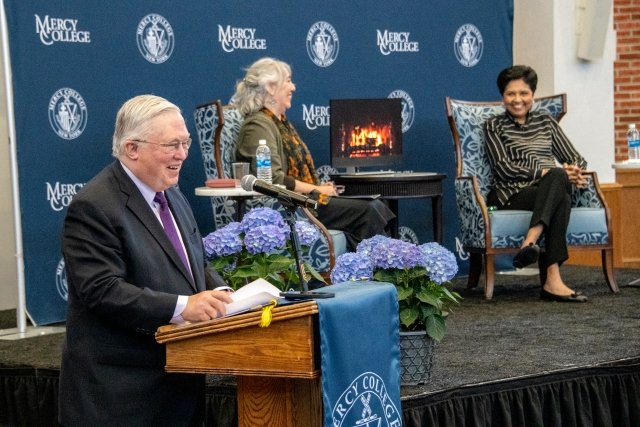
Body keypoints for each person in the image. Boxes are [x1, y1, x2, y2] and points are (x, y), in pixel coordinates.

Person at [58, 95, 234, 426]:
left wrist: (223, 293)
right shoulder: (94, 207)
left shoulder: (172, 194)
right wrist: (184, 307)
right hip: (122, 395)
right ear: (132, 149)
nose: (182, 154)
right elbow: (102, 290)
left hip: (179, 385)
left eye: (185, 143)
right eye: (171, 145)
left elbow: (191, 263)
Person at [234, 57, 395, 251]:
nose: (293, 87)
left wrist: (317, 188)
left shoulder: (280, 123)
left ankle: (368, 265)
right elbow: (273, 179)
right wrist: (315, 189)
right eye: (288, 80)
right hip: (290, 206)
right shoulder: (258, 125)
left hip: (304, 200)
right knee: (368, 210)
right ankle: (370, 269)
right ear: (270, 87)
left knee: (375, 205)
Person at [484, 65, 589, 303]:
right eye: (511, 94)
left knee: (559, 182)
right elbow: (503, 168)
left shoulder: (546, 122)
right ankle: (552, 280)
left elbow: (576, 158)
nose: (518, 100)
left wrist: (572, 170)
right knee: (559, 189)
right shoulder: (493, 126)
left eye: (524, 93)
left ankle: (530, 242)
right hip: (512, 194)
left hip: (547, 188)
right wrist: (545, 172)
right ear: (503, 96)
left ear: (532, 95)